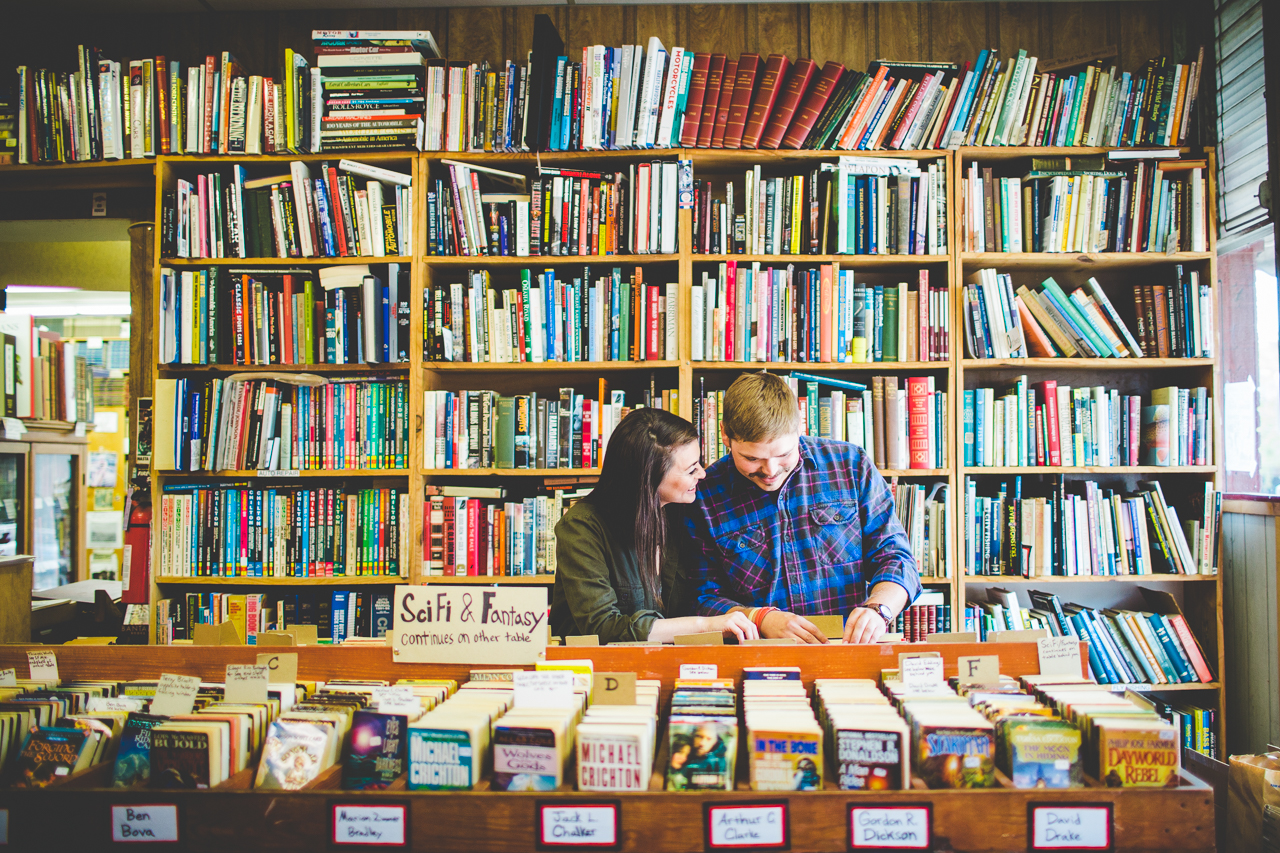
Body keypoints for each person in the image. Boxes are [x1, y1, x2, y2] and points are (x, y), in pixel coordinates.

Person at [688, 372, 922, 644]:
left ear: (800, 426)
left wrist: (879, 610)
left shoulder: (850, 465)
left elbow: (896, 558)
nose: (770, 471)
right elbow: (702, 597)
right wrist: (759, 618)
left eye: (784, 454)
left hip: (848, 647)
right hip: (757, 654)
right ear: (726, 436)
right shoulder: (704, 495)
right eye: (752, 458)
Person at [550, 407, 759, 644]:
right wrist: (706, 625)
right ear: (649, 479)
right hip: (592, 669)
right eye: (691, 469)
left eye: (699, 463)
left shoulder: (683, 514)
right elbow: (603, 627)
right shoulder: (582, 528)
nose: (702, 474)